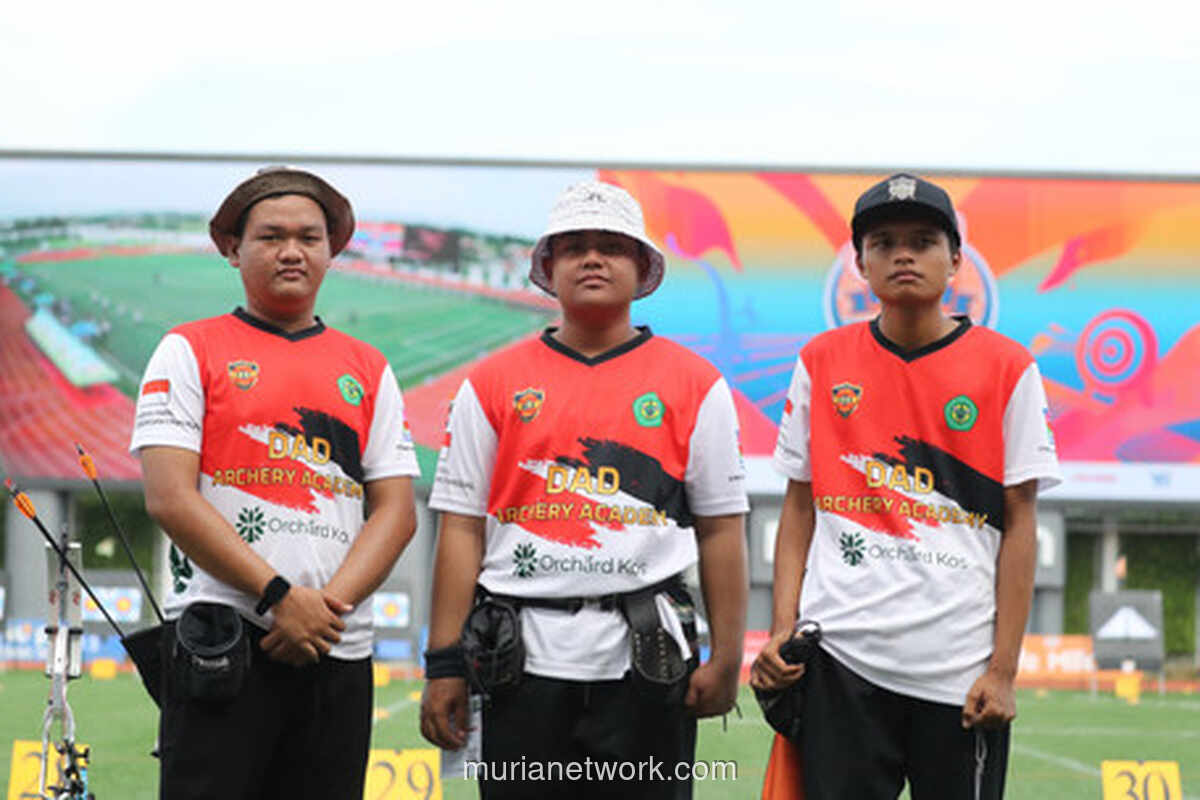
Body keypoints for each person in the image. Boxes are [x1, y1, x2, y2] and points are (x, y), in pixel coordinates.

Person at [419, 180, 749, 798]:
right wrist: (444, 665)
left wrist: (728, 656)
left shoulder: (695, 384)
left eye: (611, 247)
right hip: (519, 668)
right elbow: (461, 527)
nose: (592, 259)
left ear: (642, 266)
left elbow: (722, 528)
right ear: (549, 267)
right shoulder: (490, 383)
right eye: (574, 247)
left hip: (649, 667)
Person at [750, 173, 1062, 800]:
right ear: (861, 264)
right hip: (841, 663)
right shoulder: (821, 360)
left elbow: (1020, 522)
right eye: (884, 242)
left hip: (957, 672)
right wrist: (781, 626)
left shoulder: (1007, 369)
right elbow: (799, 505)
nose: (903, 255)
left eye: (923, 241)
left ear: (955, 260)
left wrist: (1003, 670)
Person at [130, 166, 420, 800]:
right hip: (222, 644)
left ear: (331, 251)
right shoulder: (187, 349)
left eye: (309, 238)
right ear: (234, 248)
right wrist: (279, 596)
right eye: (271, 236)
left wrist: (322, 610)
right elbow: (170, 497)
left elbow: (396, 512)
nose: (292, 251)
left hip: (334, 648)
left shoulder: (369, 368)